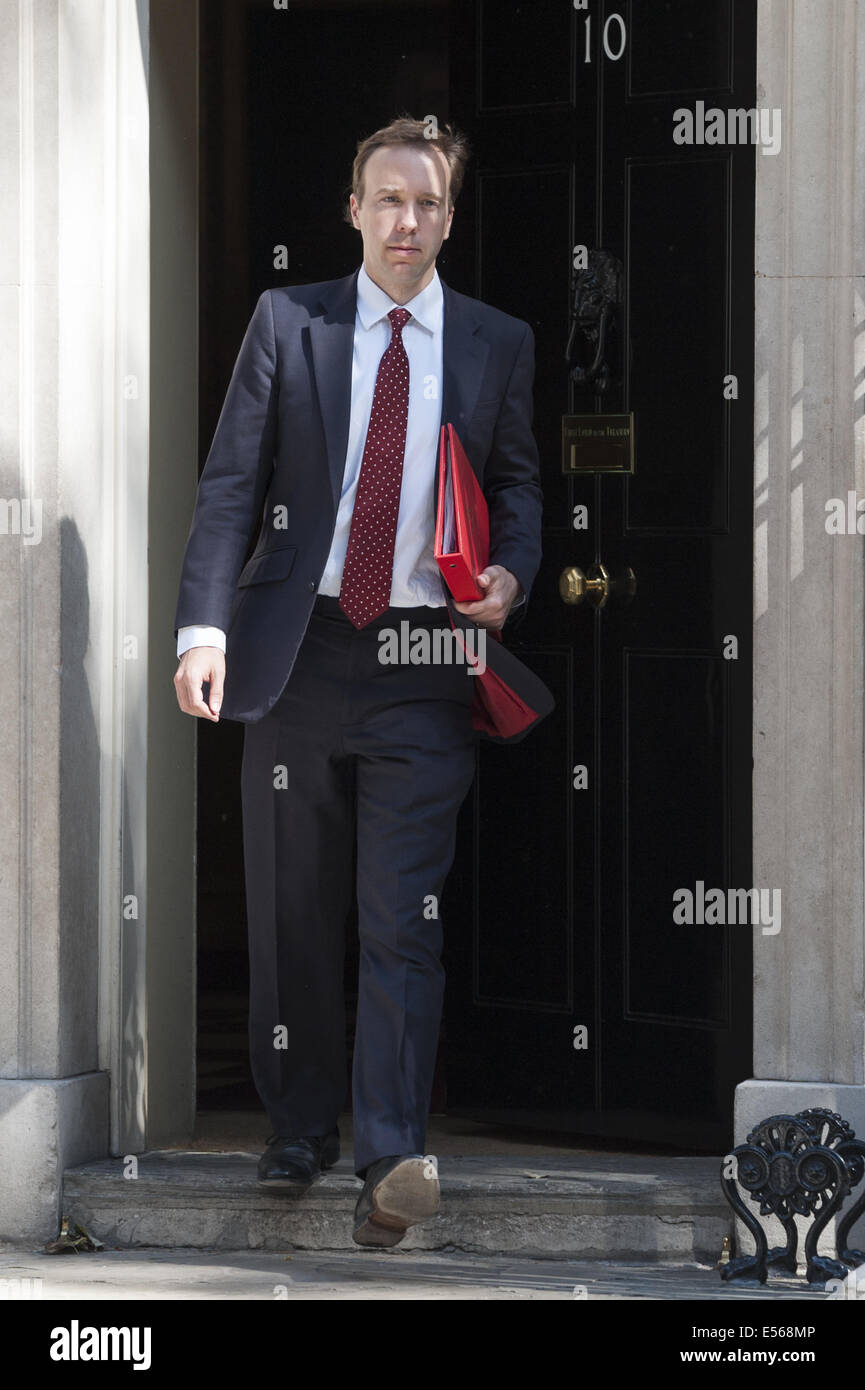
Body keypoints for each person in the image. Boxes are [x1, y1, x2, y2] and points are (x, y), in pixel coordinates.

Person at [173, 116, 543, 1247]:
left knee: (401, 917)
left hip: (424, 661)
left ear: (448, 216)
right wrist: (203, 627)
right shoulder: (291, 322)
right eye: (386, 199)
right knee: (291, 909)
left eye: (427, 203)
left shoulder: (495, 342)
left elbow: (520, 485)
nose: (406, 220)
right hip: (299, 651)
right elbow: (232, 485)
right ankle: (298, 1124)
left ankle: (390, 1152)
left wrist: (511, 574)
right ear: (351, 209)